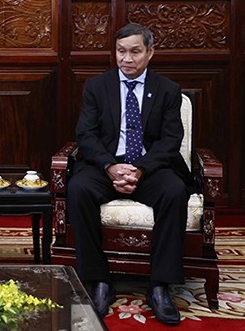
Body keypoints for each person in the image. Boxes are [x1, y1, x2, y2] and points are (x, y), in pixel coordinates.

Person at [67, 23, 192, 324]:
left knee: (175, 191)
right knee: (78, 188)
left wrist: (141, 169)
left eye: (135, 51)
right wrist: (110, 167)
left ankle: (160, 285)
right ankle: (99, 280)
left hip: (150, 167)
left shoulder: (168, 90)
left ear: (150, 52)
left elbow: (170, 140)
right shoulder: (98, 87)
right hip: (107, 165)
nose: (126, 58)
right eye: (121, 51)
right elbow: (86, 135)